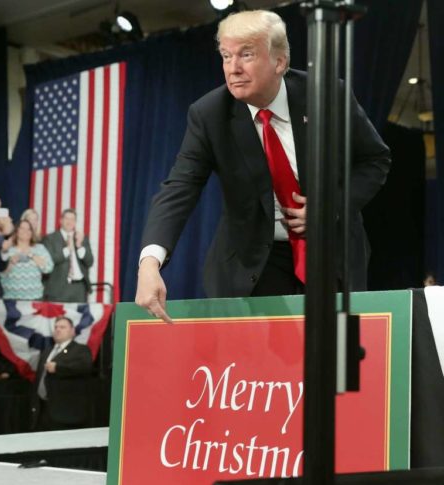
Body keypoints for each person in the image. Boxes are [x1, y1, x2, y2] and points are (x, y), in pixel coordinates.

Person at [135, 10, 391, 323]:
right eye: (226, 56)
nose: (233, 68)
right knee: (262, 368)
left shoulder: (327, 96)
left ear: (279, 62)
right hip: (253, 261)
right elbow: (179, 188)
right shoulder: (209, 114)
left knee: (333, 362)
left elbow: (374, 160)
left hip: (330, 252)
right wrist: (150, 263)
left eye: (246, 55)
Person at [29, 316, 93, 431]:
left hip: (66, 413)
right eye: (56, 327)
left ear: (72, 331)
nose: (58, 329)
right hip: (43, 409)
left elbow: (84, 366)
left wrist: (58, 368)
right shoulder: (47, 351)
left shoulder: (80, 349)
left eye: (62, 327)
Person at [43, 209, 94, 303]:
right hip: (58, 288)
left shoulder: (82, 238)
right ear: (61, 220)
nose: (69, 222)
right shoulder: (50, 239)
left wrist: (79, 246)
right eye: (67, 218)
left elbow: (89, 262)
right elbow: (49, 260)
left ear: (75, 222)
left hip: (79, 288)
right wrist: (67, 249)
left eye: (72, 219)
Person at [0, 220, 53, 300]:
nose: (26, 231)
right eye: (22, 228)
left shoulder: (40, 248)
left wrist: (32, 255)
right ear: (16, 231)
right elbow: (0, 275)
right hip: (10, 298)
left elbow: (49, 268)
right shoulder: (8, 249)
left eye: (29, 229)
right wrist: (11, 263)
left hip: (35, 297)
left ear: (32, 232)